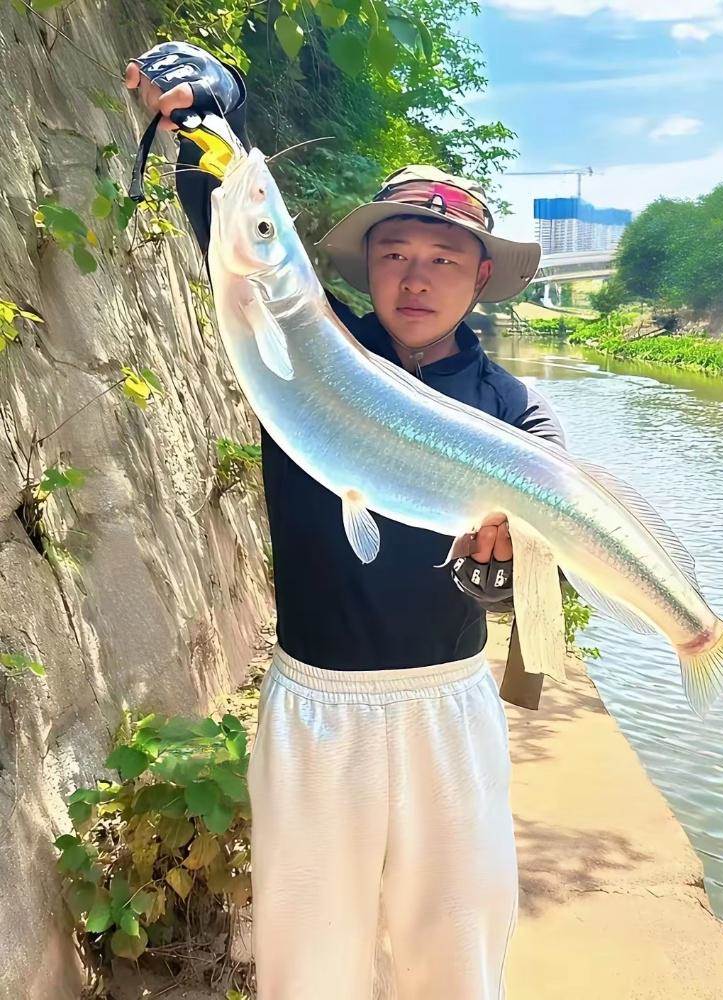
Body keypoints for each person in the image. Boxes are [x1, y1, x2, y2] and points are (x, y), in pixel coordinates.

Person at [124, 41, 564, 1000]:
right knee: (307, 962)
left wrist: (499, 574)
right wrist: (211, 107)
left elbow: (537, 588)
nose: (416, 277)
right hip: (314, 706)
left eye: (443, 259)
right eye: (394, 254)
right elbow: (239, 225)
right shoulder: (307, 351)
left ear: (480, 278)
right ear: (367, 266)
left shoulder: (517, 414)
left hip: (448, 706)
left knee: (457, 953)